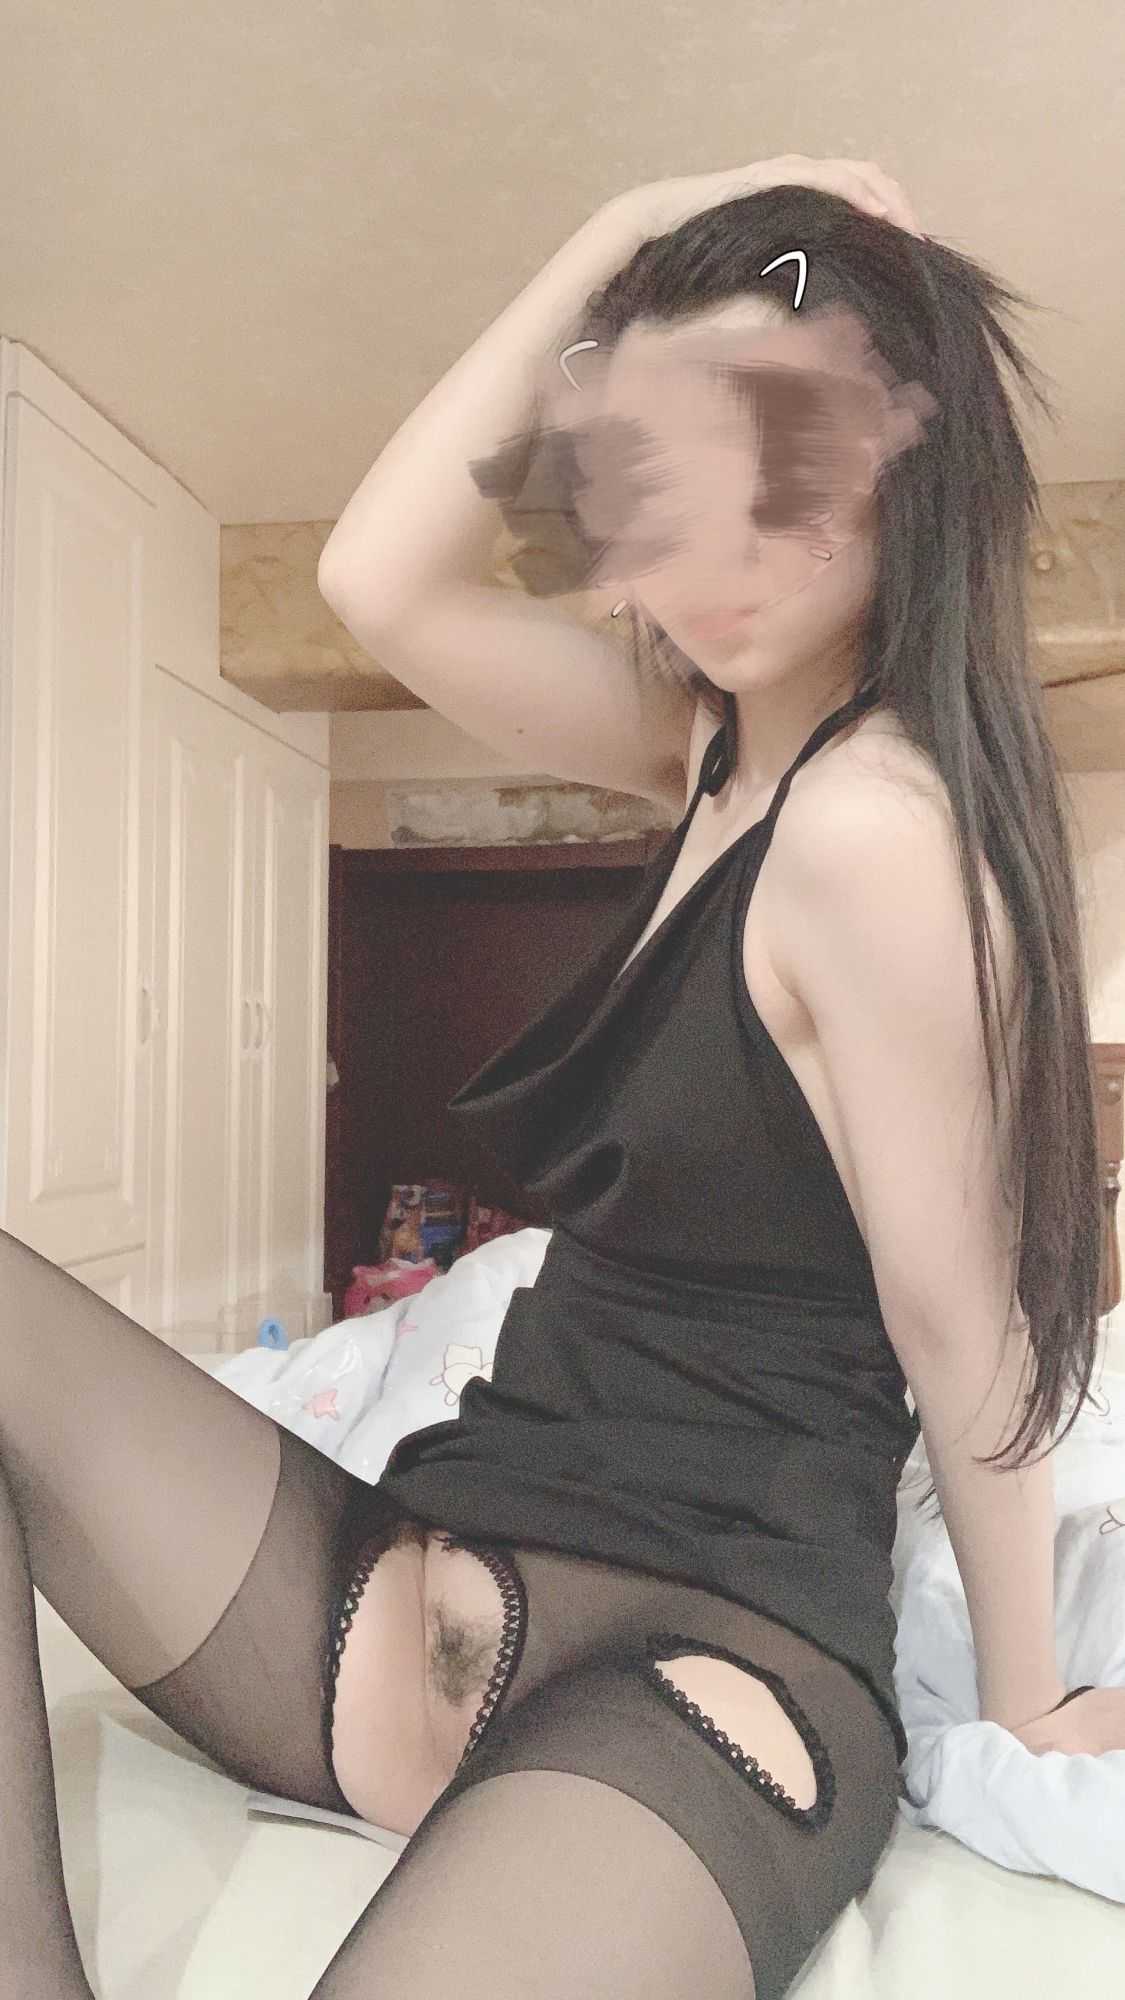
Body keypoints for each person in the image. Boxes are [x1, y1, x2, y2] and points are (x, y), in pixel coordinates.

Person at [0, 156, 1110, 2000]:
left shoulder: (876, 827)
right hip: (396, 1601)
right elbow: (376, 579)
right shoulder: (710, 754)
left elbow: (959, 1318)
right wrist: (628, 228)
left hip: (699, 1666)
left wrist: (1026, 1698)